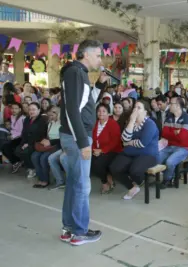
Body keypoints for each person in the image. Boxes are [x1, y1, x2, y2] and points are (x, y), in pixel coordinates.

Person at [59, 40, 106, 246]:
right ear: (86, 55)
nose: (100, 59)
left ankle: (69, 228)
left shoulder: (78, 73)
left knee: (73, 183)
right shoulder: (76, 73)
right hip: (78, 137)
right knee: (82, 186)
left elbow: (86, 104)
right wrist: (82, 142)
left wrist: (101, 85)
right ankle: (79, 232)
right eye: (98, 55)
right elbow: (72, 111)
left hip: (74, 136)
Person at [110, 100, 159, 199]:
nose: (135, 110)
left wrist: (129, 143)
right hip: (130, 152)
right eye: (135, 107)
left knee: (135, 170)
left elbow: (142, 143)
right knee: (114, 168)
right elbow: (124, 138)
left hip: (147, 154)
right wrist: (132, 121)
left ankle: (142, 181)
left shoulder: (150, 124)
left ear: (145, 112)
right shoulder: (131, 122)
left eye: (139, 108)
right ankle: (133, 187)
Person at [4, 103, 47, 179]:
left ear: (39, 110)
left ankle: (32, 169)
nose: (31, 111)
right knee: (18, 150)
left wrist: (29, 144)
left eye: (33, 109)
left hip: (38, 142)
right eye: (30, 109)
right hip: (27, 142)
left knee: (26, 151)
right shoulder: (27, 119)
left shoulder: (42, 120)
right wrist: (23, 143)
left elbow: (41, 134)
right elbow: (24, 133)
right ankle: (29, 166)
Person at [159, 96, 188, 188]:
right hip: (169, 146)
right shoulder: (169, 117)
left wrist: (172, 133)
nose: (169, 105)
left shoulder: (187, 118)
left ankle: (167, 180)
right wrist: (176, 132)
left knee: (169, 162)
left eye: (171, 103)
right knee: (156, 158)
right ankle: (172, 175)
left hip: (184, 148)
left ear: (177, 106)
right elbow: (164, 133)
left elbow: (182, 137)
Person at [91, 104, 122, 194]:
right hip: (97, 150)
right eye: (99, 111)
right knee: (89, 160)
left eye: (104, 111)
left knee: (98, 163)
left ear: (108, 113)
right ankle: (107, 179)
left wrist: (101, 150)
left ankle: (104, 182)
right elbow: (91, 139)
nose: (101, 113)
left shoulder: (113, 124)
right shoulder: (95, 123)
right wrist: (94, 150)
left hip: (113, 151)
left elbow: (115, 142)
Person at [31, 106, 61, 188]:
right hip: (48, 145)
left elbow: (63, 139)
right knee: (34, 156)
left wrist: (50, 142)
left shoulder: (62, 124)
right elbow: (48, 135)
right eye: (51, 113)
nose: (51, 115)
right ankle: (40, 178)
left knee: (43, 158)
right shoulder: (50, 123)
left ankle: (45, 180)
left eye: (54, 113)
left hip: (57, 145)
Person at [1, 103, 25, 172]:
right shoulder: (11, 117)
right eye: (12, 108)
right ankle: (16, 162)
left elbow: (21, 132)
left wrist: (12, 136)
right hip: (12, 136)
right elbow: (12, 129)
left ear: (20, 109)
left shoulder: (22, 118)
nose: (14, 110)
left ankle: (16, 162)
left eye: (16, 108)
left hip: (19, 138)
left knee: (5, 146)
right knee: (2, 145)